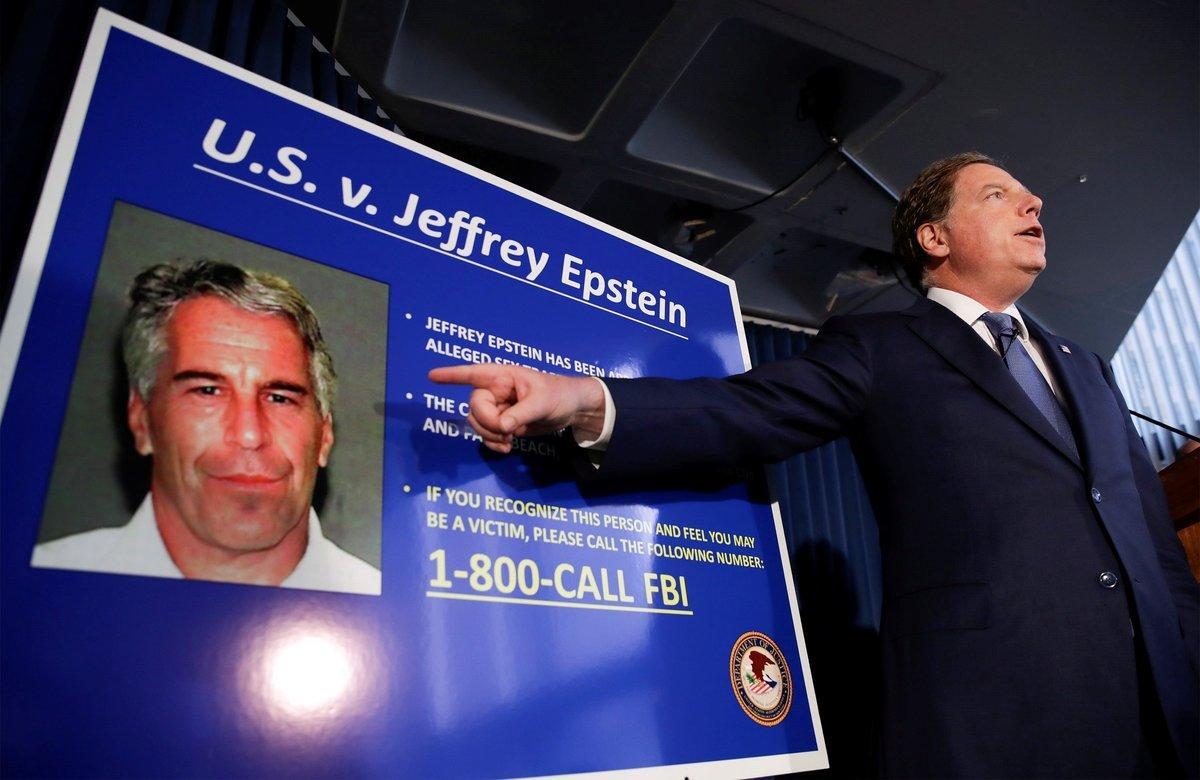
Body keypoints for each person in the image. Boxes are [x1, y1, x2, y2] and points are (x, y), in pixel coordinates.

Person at [431, 153, 1199, 777]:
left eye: (1033, 196)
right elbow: (742, 411)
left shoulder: (1090, 367)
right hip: (998, 714)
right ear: (935, 238)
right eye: (1001, 195)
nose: (1034, 205)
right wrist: (578, 400)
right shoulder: (882, 349)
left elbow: (1155, 550)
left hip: (1163, 715)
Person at [32, 260, 381, 595]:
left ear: (324, 436)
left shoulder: (397, 605)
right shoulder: (31, 589)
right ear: (142, 421)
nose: (249, 434)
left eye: (279, 398)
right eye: (207, 391)